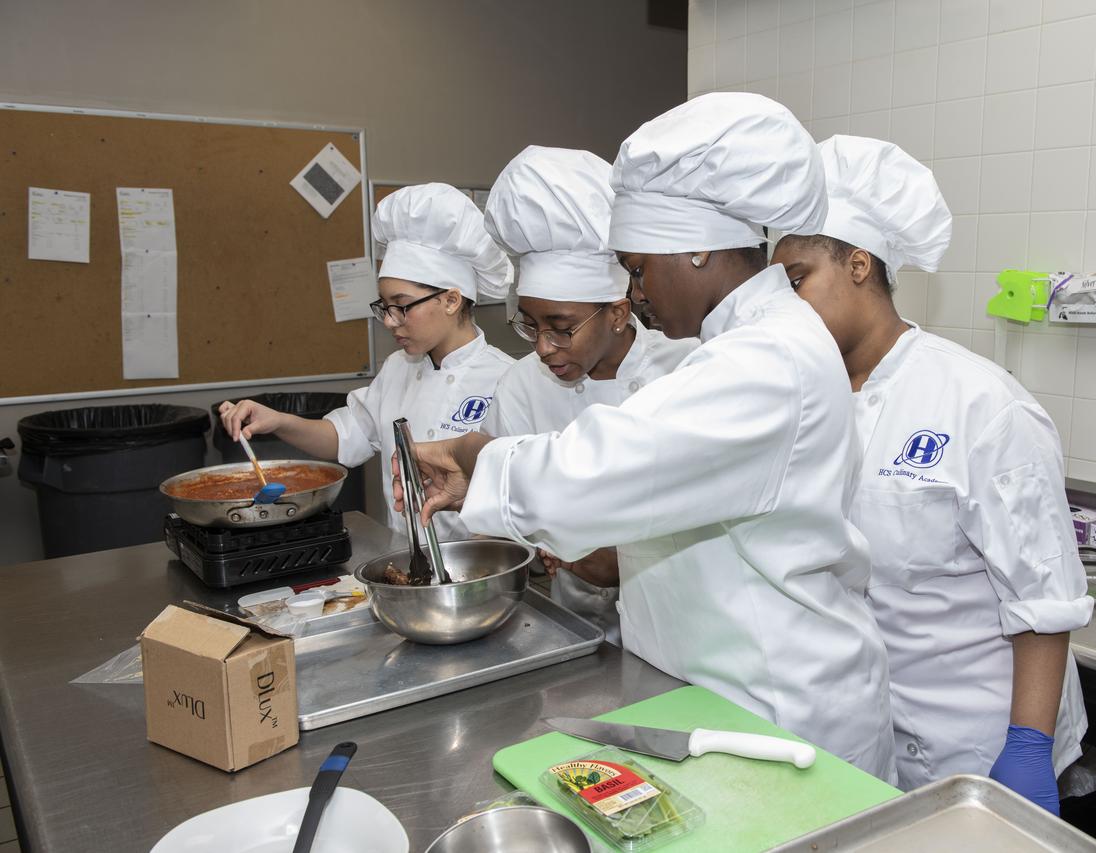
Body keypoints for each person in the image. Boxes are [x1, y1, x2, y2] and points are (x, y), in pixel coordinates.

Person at [395, 94, 895, 780]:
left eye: (636, 266)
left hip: (784, 717)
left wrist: (475, 460)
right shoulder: (746, 346)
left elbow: (608, 468)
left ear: (694, 249)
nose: (636, 290)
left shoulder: (769, 359)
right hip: (720, 704)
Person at [772, 135, 1092, 813]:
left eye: (796, 277)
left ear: (859, 264)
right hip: (870, 739)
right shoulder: (802, 399)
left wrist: (1027, 746)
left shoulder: (982, 404)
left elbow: (1044, 597)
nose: (783, 302)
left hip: (984, 749)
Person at [482, 145, 698, 643]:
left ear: (619, 314)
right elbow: (514, 505)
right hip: (570, 624)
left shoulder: (685, 368)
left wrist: (623, 560)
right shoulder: (520, 386)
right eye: (529, 325)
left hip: (682, 628)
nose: (542, 347)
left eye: (561, 328)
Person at [220, 184, 513, 539]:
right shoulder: (397, 369)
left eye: (401, 305)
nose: (389, 321)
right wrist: (278, 421)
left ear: (451, 300)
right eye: (384, 306)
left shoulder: (506, 379)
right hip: (406, 563)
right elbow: (344, 437)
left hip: (480, 571)